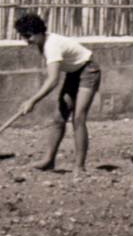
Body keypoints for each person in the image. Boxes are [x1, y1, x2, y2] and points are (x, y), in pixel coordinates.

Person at [12, 12, 102, 176]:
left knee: (78, 118)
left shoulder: (51, 45)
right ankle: (48, 160)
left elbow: (53, 80)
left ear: (38, 32)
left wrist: (32, 101)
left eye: (28, 36)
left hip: (89, 71)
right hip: (74, 73)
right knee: (58, 118)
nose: (26, 41)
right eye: (23, 36)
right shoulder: (42, 43)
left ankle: (80, 167)